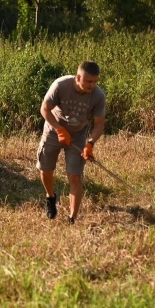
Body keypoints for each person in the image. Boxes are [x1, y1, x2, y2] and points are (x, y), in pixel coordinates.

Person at [37, 61, 106, 223]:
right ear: (78, 77)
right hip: (54, 130)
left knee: (74, 176)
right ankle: (50, 197)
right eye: (88, 81)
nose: (92, 85)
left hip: (78, 135)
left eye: (95, 81)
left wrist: (90, 144)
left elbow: (99, 125)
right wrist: (60, 130)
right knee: (46, 170)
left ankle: (72, 219)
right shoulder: (60, 85)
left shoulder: (98, 95)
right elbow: (44, 109)